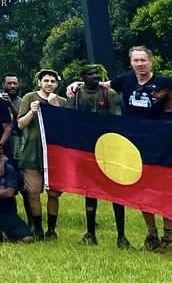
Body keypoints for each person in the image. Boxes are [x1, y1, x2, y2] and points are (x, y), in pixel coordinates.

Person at [69, 46, 172, 252]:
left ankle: (169, 236)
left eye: (143, 60)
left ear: (151, 61)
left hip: (161, 141)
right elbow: (101, 84)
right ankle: (151, 235)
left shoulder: (165, 83)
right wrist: (78, 83)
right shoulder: (126, 81)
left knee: (163, 187)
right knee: (142, 188)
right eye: (136, 60)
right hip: (134, 143)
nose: (140, 64)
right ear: (131, 63)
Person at [70, 63, 129, 248]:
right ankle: (90, 233)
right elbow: (72, 116)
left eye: (97, 74)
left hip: (109, 148)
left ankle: (121, 236)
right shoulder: (78, 93)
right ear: (83, 77)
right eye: (90, 74)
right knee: (90, 191)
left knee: (115, 192)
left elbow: (117, 121)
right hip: (87, 149)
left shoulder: (109, 94)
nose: (95, 77)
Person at [17, 69, 68, 240]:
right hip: (32, 153)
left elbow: (67, 127)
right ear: (40, 82)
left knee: (53, 193)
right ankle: (37, 227)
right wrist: (31, 112)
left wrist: (55, 108)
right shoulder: (29, 98)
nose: (49, 84)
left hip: (55, 154)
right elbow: (20, 125)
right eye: (46, 80)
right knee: (33, 192)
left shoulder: (62, 101)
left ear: (57, 84)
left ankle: (52, 230)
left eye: (53, 81)